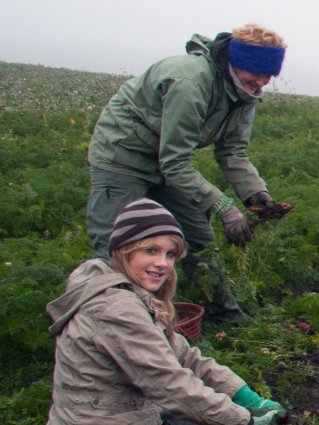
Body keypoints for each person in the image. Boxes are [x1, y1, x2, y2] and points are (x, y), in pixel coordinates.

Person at [86, 23, 292, 323]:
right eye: (255, 75)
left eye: (268, 78)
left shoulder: (245, 94)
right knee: (117, 243)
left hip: (166, 161)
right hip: (123, 155)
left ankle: (223, 312)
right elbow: (176, 163)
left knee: (198, 234)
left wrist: (256, 196)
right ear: (235, 64)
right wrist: (225, 208)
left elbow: (232, 152)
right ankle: (111, 323)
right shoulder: (190, 82)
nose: (261, 84)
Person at [47, 199, 287, 424]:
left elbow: (182, 354)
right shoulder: (116, 308)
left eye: (170, 254)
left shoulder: (125, 292)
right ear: (124, 249)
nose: (162, 262)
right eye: (150, 250)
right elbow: (168, 384)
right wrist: (244, 420)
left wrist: (244, 395)